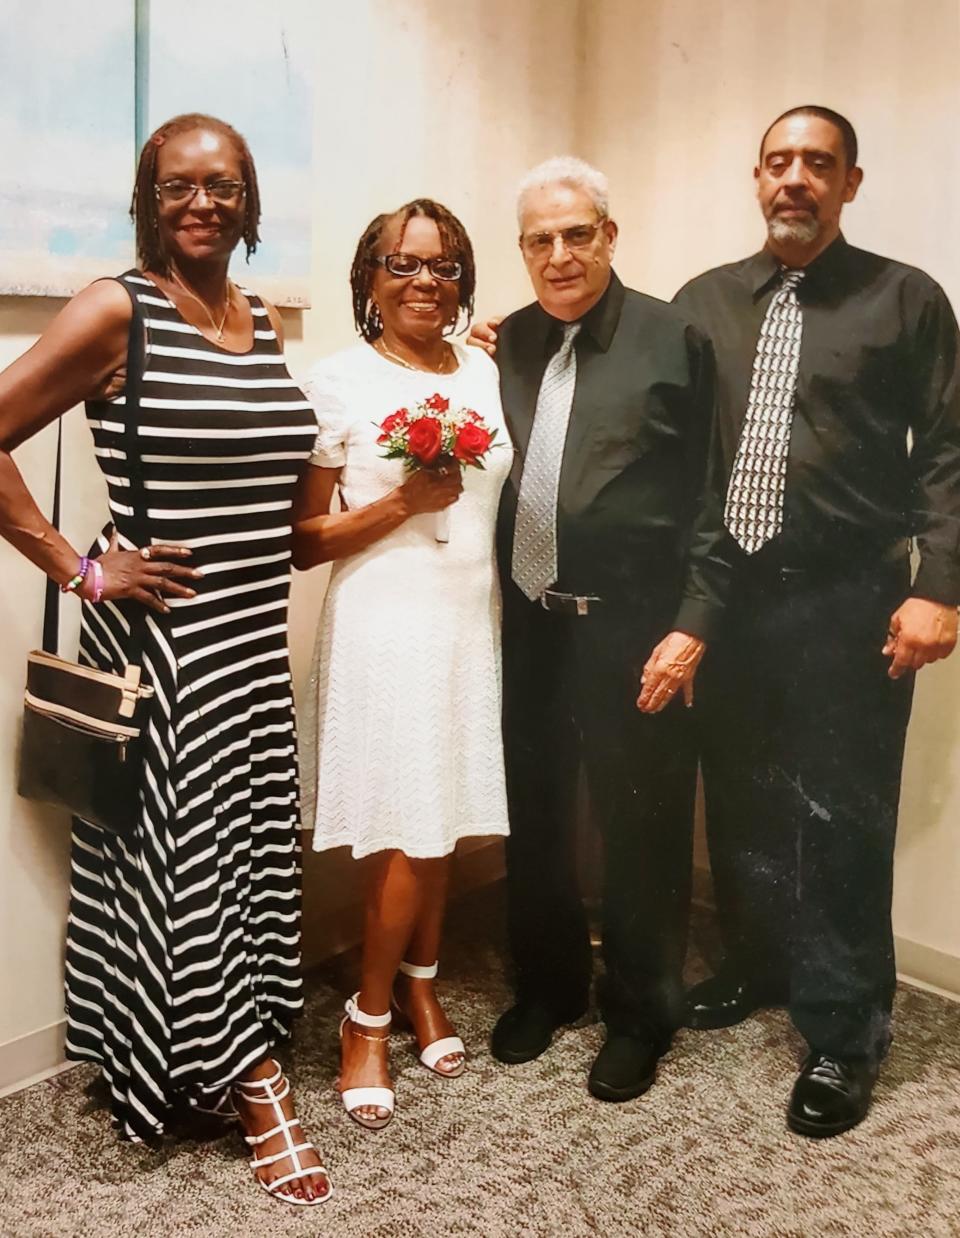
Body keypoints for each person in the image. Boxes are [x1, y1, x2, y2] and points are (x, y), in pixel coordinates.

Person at [0, 113, 331, 1204]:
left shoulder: (259, 320)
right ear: (148, 197)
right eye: (180, 185)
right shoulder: (116, 308)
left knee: (239, 852)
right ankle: (253, 1081)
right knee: (184, 865)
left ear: (250, 200)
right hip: (168, 644)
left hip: (251, 638)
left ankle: (165, 1037)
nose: (203, 203)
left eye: (224, 186)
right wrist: (80, 568)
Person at [653, 105, 960, 1137]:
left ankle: (842, 1029)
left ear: (850, 183)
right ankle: (755, 959)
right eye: (780, 161)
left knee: (843, 814)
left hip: (851, 600)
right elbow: (656, 422)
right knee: (738, 795)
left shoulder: (906, 298)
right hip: (732, 598)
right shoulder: (703, 302)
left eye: (817, 164)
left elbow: (951, 453)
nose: (796, 179)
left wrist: (940, 584)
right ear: (756, 177)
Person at [473, 157, 722, 1102]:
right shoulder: (508, 345)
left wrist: (693, 623)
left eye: (578, 234)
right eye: (540, 240)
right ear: (524, 251)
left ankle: (640, 1013)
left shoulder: (676, 338)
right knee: (533, 812)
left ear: (609, 236)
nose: (560, 254)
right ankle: (547, 988)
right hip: (533, 622)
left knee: (642, 824)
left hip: (637, 633)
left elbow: (713, 496)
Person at [293, 199, 511, 1130]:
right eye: (403, 264)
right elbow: (305, 539)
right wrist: (400, 503)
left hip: (468, 618)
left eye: (445, 266)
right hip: (387, 627)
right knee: (405, 825)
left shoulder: (487, 370)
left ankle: (422, 985)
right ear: (369, 278)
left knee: (448, 814)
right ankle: (366, 1018)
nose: (425, 281)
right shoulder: (334, 380)